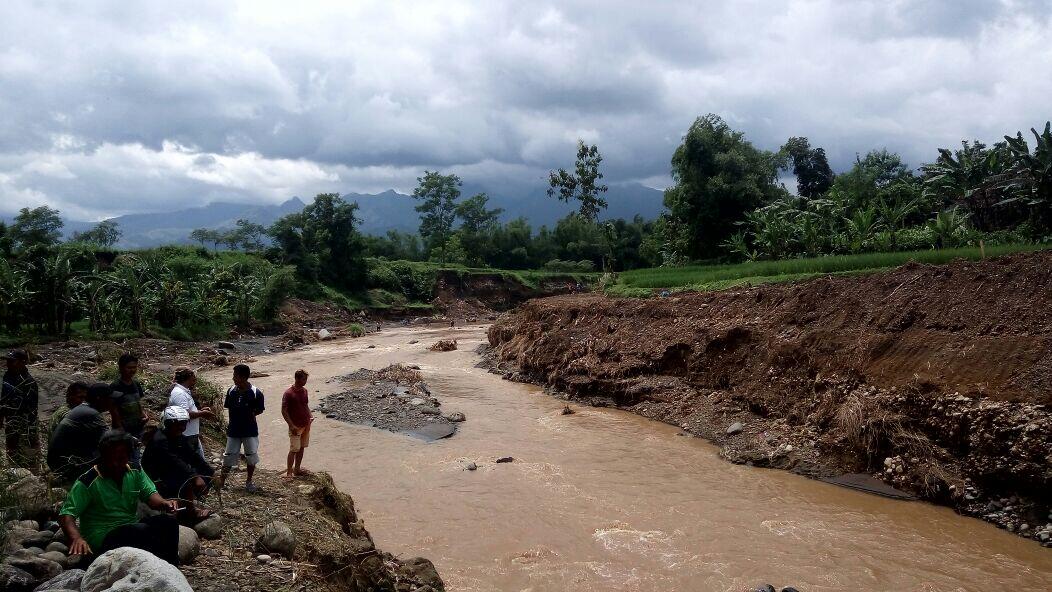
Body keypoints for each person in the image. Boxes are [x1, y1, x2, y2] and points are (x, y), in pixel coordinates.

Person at [59, 430, 180, 566]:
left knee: (168, 523)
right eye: (111, 459)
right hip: (104, 537)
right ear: (103, 456)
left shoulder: (135, 470)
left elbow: (151, 496)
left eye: (121, 459)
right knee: (139, 532)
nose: (116, 464)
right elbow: (67, 515)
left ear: (128, 456)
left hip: (131, 527)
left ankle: (170, 567)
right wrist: (77, 538)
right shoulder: (88, 481)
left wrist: (165, 503)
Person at [142, 407, 214, 521]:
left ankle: (188, 503)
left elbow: (194, 457)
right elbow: (174, 462)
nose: (181, 427)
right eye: (177, 424)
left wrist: (209, 474)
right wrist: (194, 477)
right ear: (167, 423)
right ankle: (191, 513)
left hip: (168, 473)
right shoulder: (159, 440)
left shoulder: (179, 438)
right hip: (155, 478)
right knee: (186, 480)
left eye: (183, 424)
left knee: (206, 472)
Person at [48, 383, 116, 484]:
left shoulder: (81, 409)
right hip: (66, 464)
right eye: (110, 399)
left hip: (61, 460)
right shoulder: (89, 413)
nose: (113, 401)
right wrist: (114, 412)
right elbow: (111, 440)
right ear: (100, 399)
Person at [217, 364, 264, 493]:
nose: (233, 379)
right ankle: (221, 481)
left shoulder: (256, 393)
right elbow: (228, 406)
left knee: (251, 456)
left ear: (243, 377)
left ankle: (249, 481)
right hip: (233, 430)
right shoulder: (231, 391)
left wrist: (249, 414)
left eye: (235, 376)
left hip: (249, 431)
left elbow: (260, 410)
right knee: (228, 455)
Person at [2, 349, 40, 469]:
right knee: (12, 453)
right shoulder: (8, 376)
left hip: (25, 425)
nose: (8, 363)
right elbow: (4, 398)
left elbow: (30, 411)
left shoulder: (29, 383)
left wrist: (27, 432)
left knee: (28, 455)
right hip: (11, 423)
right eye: (7, 361)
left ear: (23, 362)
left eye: (12, 361)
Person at [110, 353, 150, 464]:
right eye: (129, 367)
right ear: (121, 368)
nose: (132, 370)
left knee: (136, 453)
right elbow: (113, 408)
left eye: (134, 367)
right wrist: (119, 427)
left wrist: (143, 415)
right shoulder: (115, 386)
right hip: (123, 428)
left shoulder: (136, 384)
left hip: (138, 426)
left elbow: (138, 402)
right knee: (125, 456)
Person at [167, 368, 213, 459]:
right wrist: (202, 413)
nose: (194, 382)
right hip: (186, 435)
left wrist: (200, 411)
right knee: (192, 463)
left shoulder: (183, 391)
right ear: (188, 379)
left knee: (199, 462)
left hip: (191, 433)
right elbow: (184, 415)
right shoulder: (179, 394)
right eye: (193, 379)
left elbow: (187, 411)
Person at [281, 369, 313, 478]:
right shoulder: (289, 393)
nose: (305, 381)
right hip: (295, 426)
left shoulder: (305, 391)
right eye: (304, 379)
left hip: (306, 424)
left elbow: (306, 405)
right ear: (297, 379)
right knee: (294, 449)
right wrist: (291, 425)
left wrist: (310, 416)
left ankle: (297, 469)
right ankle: (289, 473)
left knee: (302, 447)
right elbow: (284, 411)